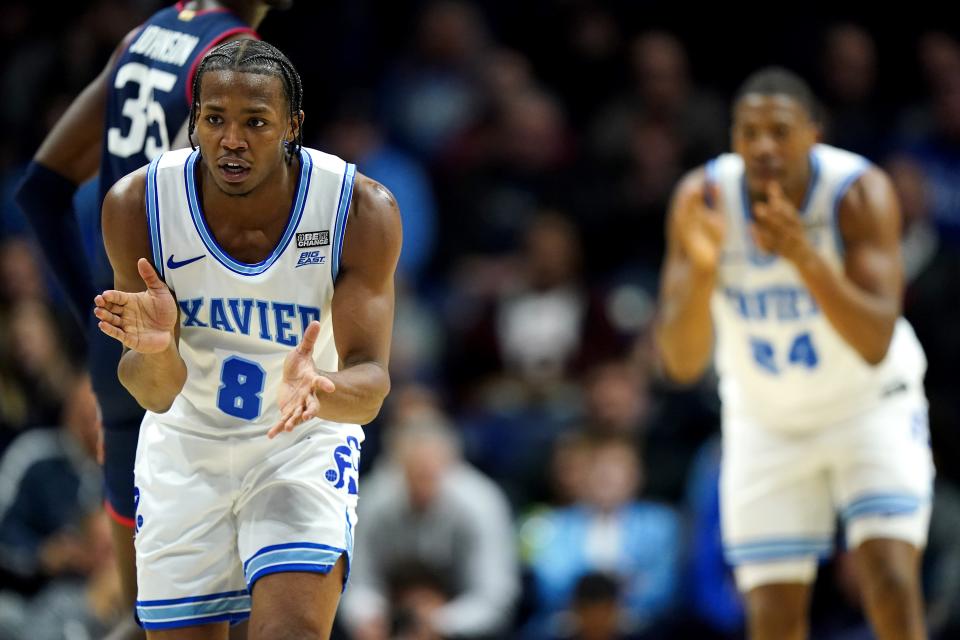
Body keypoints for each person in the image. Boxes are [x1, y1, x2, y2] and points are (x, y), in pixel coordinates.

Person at [92, 38, 400, 637]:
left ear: (293, 125)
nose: (231, 139)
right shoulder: (138, 205)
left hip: (299, 446)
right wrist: (157, 351)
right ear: (194, 124)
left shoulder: (358, 210)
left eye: (256, 122)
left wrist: (324, 388)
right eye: (214, 119)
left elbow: (373, 386)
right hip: (185, 446)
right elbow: (151, 393)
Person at [13, 0, 290, 620]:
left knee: (150, 618)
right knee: (229, 616)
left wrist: (97, 323)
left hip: (125, 349)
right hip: (193, 360)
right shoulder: (238, 67)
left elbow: (41, 189)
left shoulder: (148, 35)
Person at [655, 66, 934, 640]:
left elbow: (875, 341)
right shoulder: (700, 198)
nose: (762, 147)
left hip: (867, 406)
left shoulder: (859, 193)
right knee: (773, 614)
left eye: (779, 131)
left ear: (813, 132)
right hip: (767, 420)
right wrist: (705, 271)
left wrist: (805, 257)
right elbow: (680, 364)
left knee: (889, 577)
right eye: (747, 132)